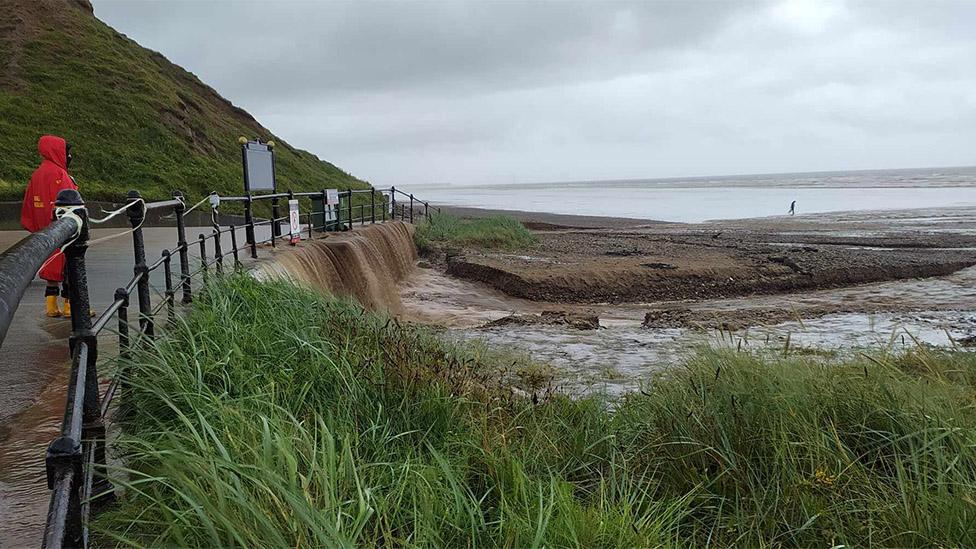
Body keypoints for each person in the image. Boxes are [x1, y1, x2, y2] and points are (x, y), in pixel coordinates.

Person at [21, 135, 78, 317]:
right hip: (62, 230)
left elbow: (29, 203)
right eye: (67, 153)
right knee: (70, 267)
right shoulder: (60, 174)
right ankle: (71, 306)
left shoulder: (37, 174)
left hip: (44, 229)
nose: (69, 157)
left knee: (50, 267)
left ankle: (51, 306)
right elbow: (72, 202)